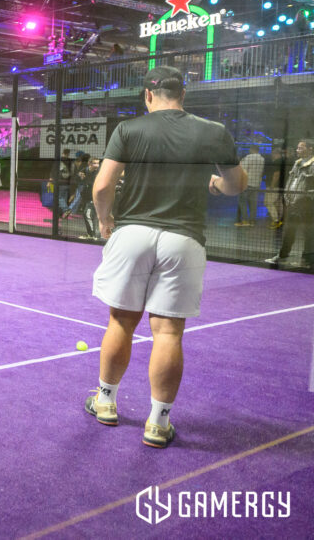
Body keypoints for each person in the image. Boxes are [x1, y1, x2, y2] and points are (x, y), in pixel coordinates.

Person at [87, 66, 245, 449]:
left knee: (121, 321)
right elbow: (237, 184)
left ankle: (105, 401)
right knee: (169, 332)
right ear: (183, 95)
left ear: (147, 95)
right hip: (183, 238)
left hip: (132, 234)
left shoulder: (129, 129)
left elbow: (103, 185)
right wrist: (215, 183)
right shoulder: (212, 131)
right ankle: (158, 423)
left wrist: (105, 221)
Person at [264, 139, 314, 270]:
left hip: (307, 204)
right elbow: (291, 180)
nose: (297, 150)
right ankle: (282, 256)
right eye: (297, 148)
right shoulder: (297, 163)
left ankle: (306, 261)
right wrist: (287, 197)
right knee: (289, 231)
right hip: (293, 203)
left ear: (310, 149)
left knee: (308, 233)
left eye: (301, 148)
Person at [234, 145, 264, 227]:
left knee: (242, 202)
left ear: (251, 149)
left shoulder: (248, 158)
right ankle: (252, 221)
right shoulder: (262, 159)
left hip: (246, 183)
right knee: (253, 203)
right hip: (256, 184)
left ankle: (245, 220)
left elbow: (243, 170)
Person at [264, 147, 287, 229]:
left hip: (274, 186)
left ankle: (276, 220)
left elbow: (276, 174)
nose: (271, 155)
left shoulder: (277, 162)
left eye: (273, 153)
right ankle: (280, 220)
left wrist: (272, 185)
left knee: (268, 202)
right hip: (280, 186)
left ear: (276, 154)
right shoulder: (282, 161)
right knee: (277, 203)